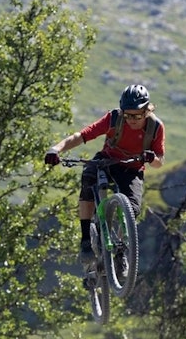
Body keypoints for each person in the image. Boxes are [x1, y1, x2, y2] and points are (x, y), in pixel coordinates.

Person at [44, 84, 165, 268]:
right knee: (88, 178)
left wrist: (151, 158)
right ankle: (86, 239)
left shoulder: (155, 127)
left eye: (137, 116)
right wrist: (56, 149)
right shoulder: (114, 119)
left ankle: (121, 250)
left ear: (147, 111)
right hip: (106, 161)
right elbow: (83, 135)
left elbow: (159, 162)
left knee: (132, 210)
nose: (131, 120)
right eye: (128, 115)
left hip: (132, 169)